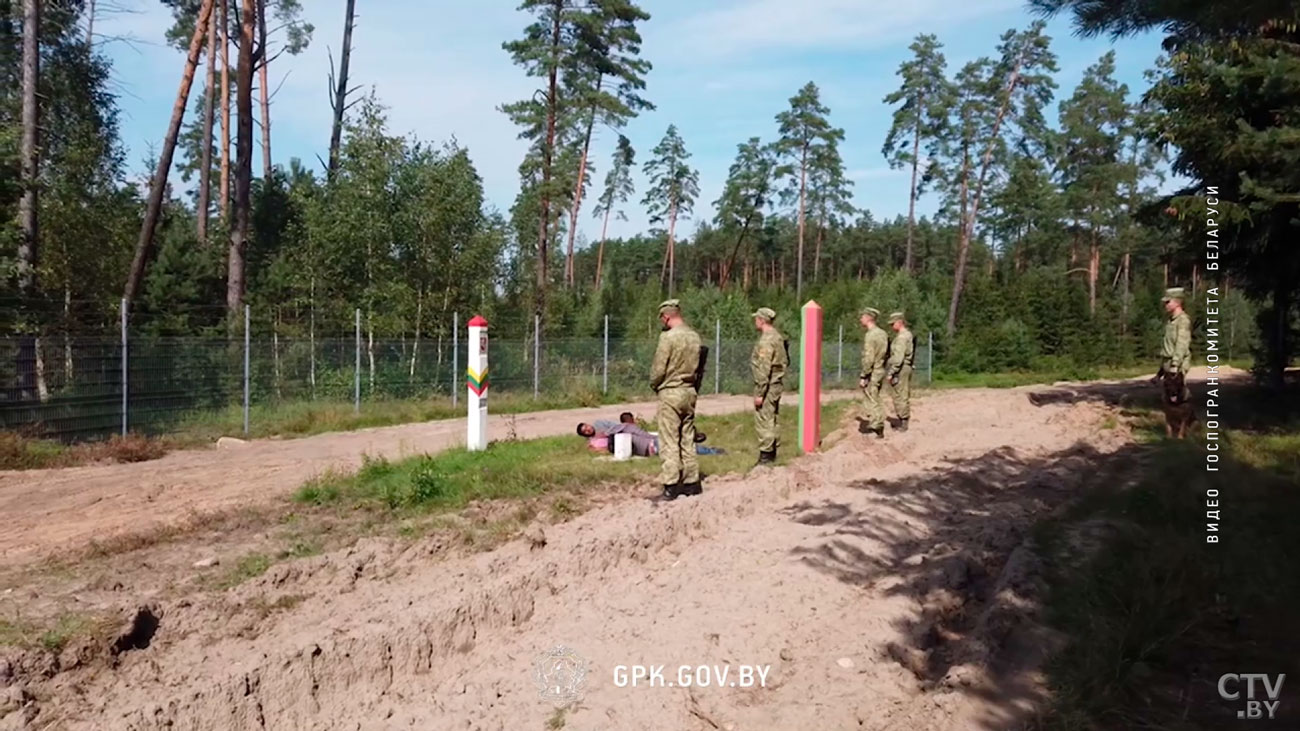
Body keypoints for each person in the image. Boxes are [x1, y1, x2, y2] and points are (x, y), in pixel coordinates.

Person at [650, 299, 703, 500]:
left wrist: (654, 383)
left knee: (669, 439)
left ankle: (671, 484)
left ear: (666, 316)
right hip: (689, 391)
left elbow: (659, 368)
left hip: (670, 392)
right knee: (687, 437)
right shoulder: (694, 336)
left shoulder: (668, 338)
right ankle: (692, 481)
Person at [750, 307, 788, 466]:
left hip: (768, 385)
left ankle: (765, 455)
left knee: (764, 419)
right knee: (772, 418)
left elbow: (764, 367)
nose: (755, 321)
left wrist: (760, 392)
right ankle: (772, 452)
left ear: (762, 320)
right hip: (776, 384)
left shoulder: (766, 340)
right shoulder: (777, 337)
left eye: (756, 318)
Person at [1156, 287, 1194, 438]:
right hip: (1168, 363)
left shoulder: (1183, 320)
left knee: (1179, 393)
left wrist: (1175, 364)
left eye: (1168, 302)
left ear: (1177, 302)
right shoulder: (1171, 321)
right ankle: (1172, 428)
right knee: (1167, 395)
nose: (1165, 305)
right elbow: (1168, 346)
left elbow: (1182, 344)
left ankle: (1185, 425)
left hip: (1176, 365)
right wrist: (1160, 371)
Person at [858, 307, 889, 440]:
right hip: (881, 368)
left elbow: (869, 357)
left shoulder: (870, 335)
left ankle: (877, 424)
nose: (860, 319)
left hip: (873, 370)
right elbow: (887, 353)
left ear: (869, 318)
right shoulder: (883, 333)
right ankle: (878, 424)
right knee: (876, 396)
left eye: (862, 316)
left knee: (871, 397)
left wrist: (864, 374)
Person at [885, 311, 915, 432]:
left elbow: (898, 358)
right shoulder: (907, 335)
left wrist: (891, 372)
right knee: (902, 393)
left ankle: (903, 421)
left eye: (893, 324)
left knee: (900, 394)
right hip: (905, 367)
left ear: (899, 322)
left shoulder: (902, 337)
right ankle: (903, 419)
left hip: (901, 368)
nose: (892, 327)